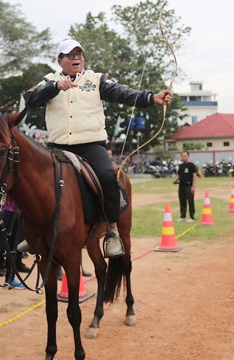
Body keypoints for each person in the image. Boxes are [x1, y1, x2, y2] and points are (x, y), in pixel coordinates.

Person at [22, 38, 172, 257]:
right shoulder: (49, 80)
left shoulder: (97, 79)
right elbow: (30, 98)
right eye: (70, 55)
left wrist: (152, 97)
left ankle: (111, 231)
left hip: (91, 145)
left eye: (79, 54)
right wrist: (55, 87)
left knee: (108, 175)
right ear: (59, 60)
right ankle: (31, 233)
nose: (76, 58)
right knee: (28, 180)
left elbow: (124, 93)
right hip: (57, 147)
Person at [173, 151, 197, 222]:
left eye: (185, 156)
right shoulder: (180, 166)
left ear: (188, 156)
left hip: (189, 186)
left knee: (190, 201)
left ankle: (192, 217)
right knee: (182, 201)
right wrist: (175, 180)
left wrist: (193, 186)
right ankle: (182, 216)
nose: (184, 157)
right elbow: (179, 175)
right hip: (181, 186)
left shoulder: (191, 165)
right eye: (183, 156)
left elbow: (194, 176)